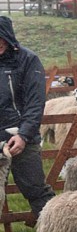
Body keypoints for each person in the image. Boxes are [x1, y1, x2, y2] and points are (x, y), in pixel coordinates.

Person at [0, 16, 53, 219]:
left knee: (36, 190)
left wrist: (24, 135)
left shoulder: (28, 60)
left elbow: (35, 102)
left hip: (21, 136)